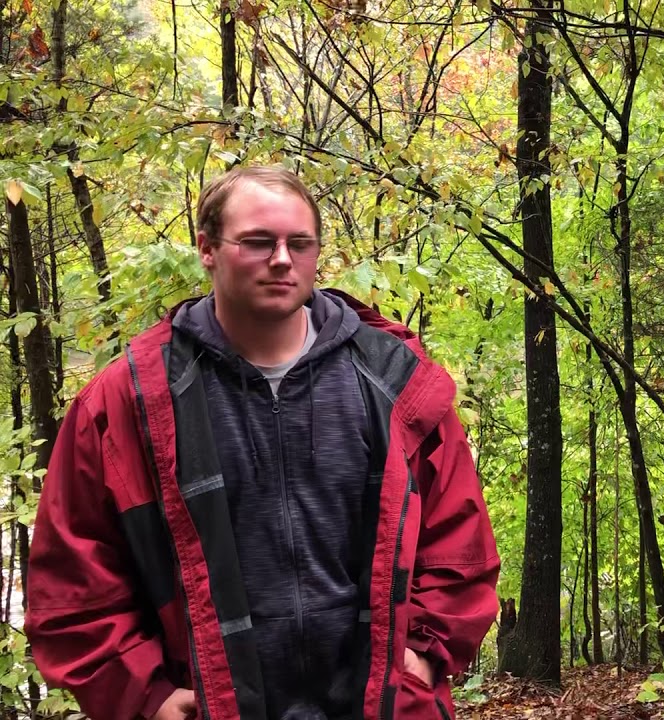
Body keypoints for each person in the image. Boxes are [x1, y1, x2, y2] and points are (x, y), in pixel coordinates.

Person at [26, 166, 500, 720]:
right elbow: (74, 580)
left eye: (299, 243)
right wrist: (146, 695)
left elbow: (460, 543)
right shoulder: (129, 402)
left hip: (379, 706)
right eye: (257, 242)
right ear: (207, 248)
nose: (282, 259)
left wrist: (421, 655)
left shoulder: (395, 381)